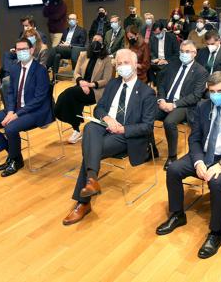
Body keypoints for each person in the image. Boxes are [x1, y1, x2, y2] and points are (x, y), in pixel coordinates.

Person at [155, 71, 221, 259]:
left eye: (220, 91)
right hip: (204, 154)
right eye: (212, 91)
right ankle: (177, 214)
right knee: (174, 169)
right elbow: (195, 138)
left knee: (216, 182)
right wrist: (199, 161)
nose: (215, 95)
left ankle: (216, 233)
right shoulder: (202, 106)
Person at [62, 49, 156, 225]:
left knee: (91, 150)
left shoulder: (146, 92)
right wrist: (107, 118)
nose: (122, 67)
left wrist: (122, 129)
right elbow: (99, 109)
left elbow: (147, 126)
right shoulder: (113, 84)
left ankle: (84, 201)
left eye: (126, 63)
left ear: (136, 65)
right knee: (90, 126)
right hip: (105, 126)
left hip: (124, 135)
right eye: (119, 64)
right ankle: (91, 180)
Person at [0, 38, 54, 177]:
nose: (21, 52)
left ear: (31, 50)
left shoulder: (40, 70)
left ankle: (14, 159)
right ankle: (15, 156)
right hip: (16, 110)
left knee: (10, 128)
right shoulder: (15, 69)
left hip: (35, 111)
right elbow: (11, 93)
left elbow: (39, 99)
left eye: (24, 49)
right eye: (18, 50)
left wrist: (16, 115)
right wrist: (11, 111)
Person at [152, 40, 208, 169]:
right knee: (146, 114)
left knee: (169, 122)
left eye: (187, 52)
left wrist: (174, 105)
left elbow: (195, 96)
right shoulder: (173, 65)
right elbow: (162, 84)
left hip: (184, 105)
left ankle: (172, 157)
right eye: (182, 51)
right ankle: (151, 148)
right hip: (165, 101)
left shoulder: (201, 71)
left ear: (194, 53)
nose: (184, 54)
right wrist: (161, 100)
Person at [54, 34, 114, 144]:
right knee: (72, 98)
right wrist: (82, 82)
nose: (96, 42)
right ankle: (76, 127)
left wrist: (90, 85)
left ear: (103, 44)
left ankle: (72, 125)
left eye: (99, 41)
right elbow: (76, 73)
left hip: (96, 90)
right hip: (81, 86)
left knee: (68, 93)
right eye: (95, 40)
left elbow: (106, 80)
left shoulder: (106, 59)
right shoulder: (84, 55)